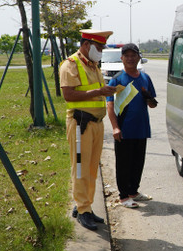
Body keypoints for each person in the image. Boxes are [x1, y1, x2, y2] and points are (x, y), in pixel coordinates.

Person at [60, 29, 118, 231]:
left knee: (92, 168)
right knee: (80, 167)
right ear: (86, 45)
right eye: (99, 47)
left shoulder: (93, 65)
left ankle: (85, 205)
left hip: (96, 123)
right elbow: (69, 95)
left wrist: (107, 90)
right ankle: (83, 210)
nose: (101, 51)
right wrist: (99, 91)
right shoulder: (71, 64)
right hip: (80, 124)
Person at [105, 43, 158, 209]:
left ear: (138, 57)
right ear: (122, 58)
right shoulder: (117, 79)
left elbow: (153, 105)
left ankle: (134, 192)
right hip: (123, 129)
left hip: (141, 128)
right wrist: (115, 127)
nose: (130, 58)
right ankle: (123, 197)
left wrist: (148, 97)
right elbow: (110, 105)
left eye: (133, 55)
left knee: (138, 162)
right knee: (123, 163)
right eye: (126, 56)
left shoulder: (145, 78)